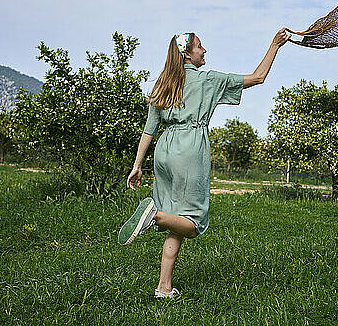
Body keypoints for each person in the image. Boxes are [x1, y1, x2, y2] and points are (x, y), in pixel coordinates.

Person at [118, 28, 291, 298]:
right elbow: (258, 77)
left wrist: (137, 165)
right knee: (194, 223)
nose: (204, 50)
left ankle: (164, 287)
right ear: (187, 54)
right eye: (200, 47)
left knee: (177, 221)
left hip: (164, 150)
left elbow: (149, 129)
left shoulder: (163, 83)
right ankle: (155, 215)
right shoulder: (208, 79)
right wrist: (275, 44)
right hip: (190, 150)